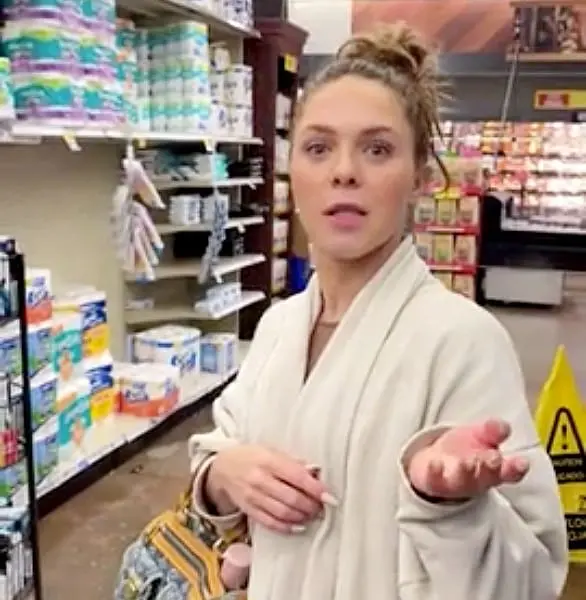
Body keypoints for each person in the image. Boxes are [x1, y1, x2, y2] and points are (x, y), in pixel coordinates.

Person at [188, 22, 568, 600]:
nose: (344, 171)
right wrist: (225, 474)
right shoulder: (278, 327)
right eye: (318, 147)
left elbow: (534, 578)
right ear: (296, 171)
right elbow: (221, 451)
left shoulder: (462, 341)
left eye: (378, 149)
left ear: (419, 177)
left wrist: (449, 505)